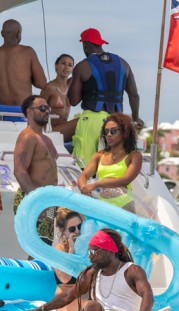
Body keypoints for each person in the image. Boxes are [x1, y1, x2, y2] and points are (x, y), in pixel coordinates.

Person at [26, 229, 153, 311]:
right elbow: (67, 296)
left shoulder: (132, 271)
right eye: (89, 252)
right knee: (93, 305)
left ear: (109, 251)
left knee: (93, 305)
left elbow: (148, 296)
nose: (90, 256)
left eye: (93, 252)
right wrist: (38, 310)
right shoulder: (92, 274)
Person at [68, 28, 143, 164]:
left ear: (85, 44)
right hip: (117, 122)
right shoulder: (123, 63)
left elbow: (73, 100)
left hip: (91, 120)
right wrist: (136, 118)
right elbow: (134, 95)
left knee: (84, 166)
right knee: (112, 166)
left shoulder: (83, 66)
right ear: (100, 43)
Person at [12, 95, 58, 246]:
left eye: (48, 108)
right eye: (42, 108)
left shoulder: (46, 139)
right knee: (39, 247)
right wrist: (35, 200)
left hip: (46, 200)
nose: (47, 111)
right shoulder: (27, 136)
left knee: (45, 246)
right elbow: (19, 171)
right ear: (29, 112)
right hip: (33, 199)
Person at [0, 19, 47, 122]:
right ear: (18, 34)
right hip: (24, 110)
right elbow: (42, 83)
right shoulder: (28, 52)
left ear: (2, 34)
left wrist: (2, 81)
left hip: (2, 112)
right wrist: (27, 78)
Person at [77, 113, 143, 212]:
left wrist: (97, 184)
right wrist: (84, 188)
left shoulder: (134, 156)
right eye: (106, 131)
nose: (108, 135)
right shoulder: (99, 155)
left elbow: (125, 180)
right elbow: (84, 175)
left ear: (124, 132)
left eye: (113, 131)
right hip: (102, 206)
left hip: (124, 207)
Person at [41, 54, 78, 148]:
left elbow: (83, 71)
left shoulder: (71, 85)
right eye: (63, 63)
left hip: (65, 129)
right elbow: (38, 109)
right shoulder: (50, 87)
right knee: (82, 120)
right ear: (56, 66)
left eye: (70, 65)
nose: (66, 67)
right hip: (51, 130)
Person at [53, 208, 84, 311]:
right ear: (63, 231)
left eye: (80, 226)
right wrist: (71, 251)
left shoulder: (88, 248)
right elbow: (64, 278)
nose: (77, 231)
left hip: (84, 307)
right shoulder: (59, 250)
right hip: (66, 309)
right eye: (72, 229)